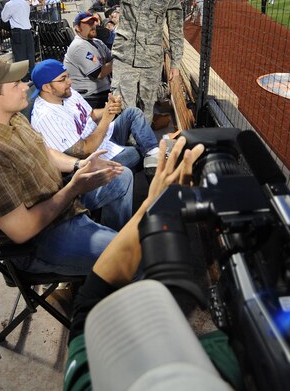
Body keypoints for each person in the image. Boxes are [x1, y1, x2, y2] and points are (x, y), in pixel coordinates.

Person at [64, 138, 238, 391]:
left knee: (124, 174)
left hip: (70, 208)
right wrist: (154, 208)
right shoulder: (243, 357)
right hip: (60, 218)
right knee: (142, 256)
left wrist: (152, 205)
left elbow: (87, 309)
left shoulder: (87, 382)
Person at [0, 57, 134, 275]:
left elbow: (44, 150)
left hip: (58, 201)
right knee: (131, 255)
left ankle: (105, 258)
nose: (25, 86)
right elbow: (23, 230)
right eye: (16, 83)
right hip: (40, 238)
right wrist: (74, 188)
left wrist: (79, 164)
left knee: (120, 176)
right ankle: (109, 265)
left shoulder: (12, 118)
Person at [30, 59, 160, 173]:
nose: (69, 82)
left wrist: (109, 108)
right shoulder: (46, 117)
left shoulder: (65, 93)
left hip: (102, 138)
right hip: (92, 159)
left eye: (67, 76)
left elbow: (90, 114)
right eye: (63, 79)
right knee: (135, 154)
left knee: (132, 113)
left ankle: (155, 155)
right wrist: (106, 119)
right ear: (46, 87)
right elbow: (85, 151)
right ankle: (156, 171)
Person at [64, 11, 113, 109]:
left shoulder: (97, 42)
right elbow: (98, 74)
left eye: (94, 22)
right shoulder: (79, 46)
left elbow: (111, 59)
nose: (94, 25)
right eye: (89, 23)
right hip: (89, 98)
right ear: (77, 28)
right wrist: (119, 60)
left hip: (102, 92)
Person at [1, 0, 35, 79]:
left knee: (20, 56)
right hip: (27, 30)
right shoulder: (25, 3)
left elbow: (4, 18)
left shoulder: (9, 4)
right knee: (30, 55)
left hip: (17, 31)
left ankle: (24, 77)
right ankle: (32, 76)